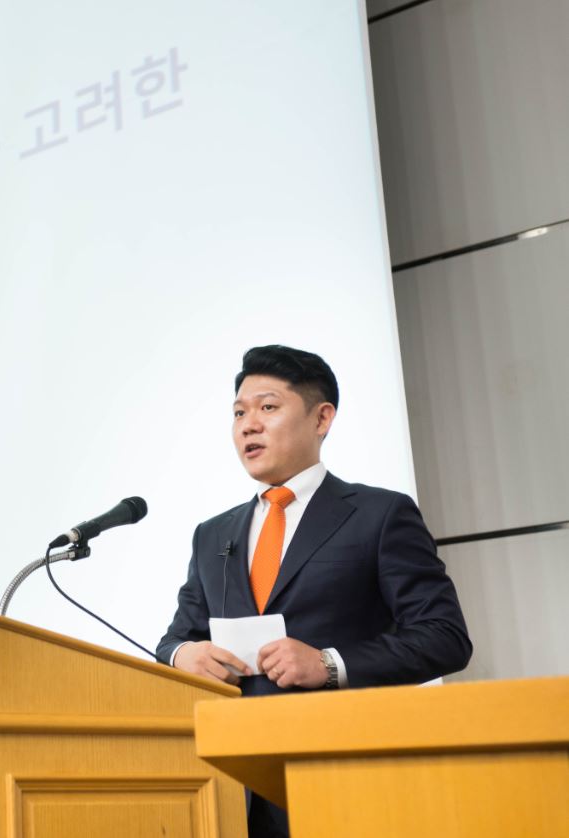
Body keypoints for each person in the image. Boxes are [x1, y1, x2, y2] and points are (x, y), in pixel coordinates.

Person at [156, 345, 471, 838]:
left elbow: (444, 637)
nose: (248, 425)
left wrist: (328, 664)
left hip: (345, 779)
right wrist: (184, 655)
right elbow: (175, 638)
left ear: (321, 418)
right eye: (238, 413)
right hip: (235, 791)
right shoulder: (212, 534)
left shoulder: (379, 515)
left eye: (267, 407)